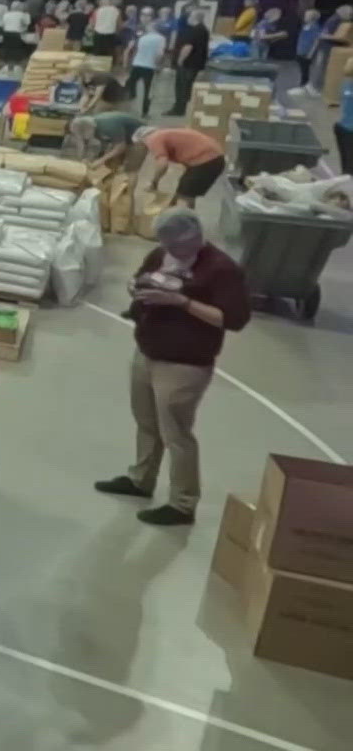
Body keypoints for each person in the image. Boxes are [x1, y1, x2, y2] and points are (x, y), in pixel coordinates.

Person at [94, 208, 249, 526]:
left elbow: (233, 319)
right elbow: (140, 277)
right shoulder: (159, 254)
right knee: (146, 421)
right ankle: (141, 479)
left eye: (177, 248)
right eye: (167, 246)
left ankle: (182, 503)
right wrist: (137, 288)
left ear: (195, 240)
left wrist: (183, 303)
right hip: (148, 350)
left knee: (176, 433)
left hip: (184, 364)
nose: (171, 253)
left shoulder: (221, 270)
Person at [135, 125, 225, 210]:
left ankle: (184, 222)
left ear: (143, 139)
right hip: (212, 158)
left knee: (185, 197)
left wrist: (154, 182)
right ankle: (174, 216)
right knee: (185, 191)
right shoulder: (165, 134)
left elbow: (162, 164)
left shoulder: (153, 139)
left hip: (207, 160)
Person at [167, 12, 212, 116]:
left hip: (188, 63)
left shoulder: (194, 30)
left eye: (190, 16)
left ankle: (178, 109)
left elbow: (188, 47)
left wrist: (180, 60)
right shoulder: (204, 29)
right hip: (196, 64)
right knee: (187, 87)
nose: (188, 19)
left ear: (194, 18)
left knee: (181, 87)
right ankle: (183, 108)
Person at [127, 19, 167, 115]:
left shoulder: (142, 38)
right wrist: (158, 66)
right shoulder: (161, 38)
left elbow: (136, 51)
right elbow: (159, 54)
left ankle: (131, 100)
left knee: (131, 83)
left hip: (137, 64)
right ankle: (145, 111)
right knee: (148, 90)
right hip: (150, 67)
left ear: (150, 28)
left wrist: (131, 62)